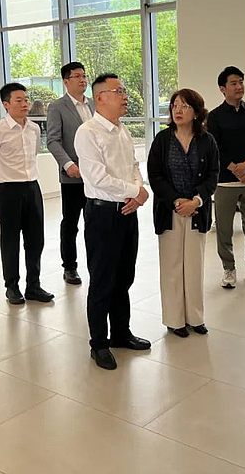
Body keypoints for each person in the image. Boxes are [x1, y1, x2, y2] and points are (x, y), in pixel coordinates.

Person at [75, 74, 150, 370]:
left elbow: (133, 165)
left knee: (124, 276)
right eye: (118, 91)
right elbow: (97, 178)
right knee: (103, 279)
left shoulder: (122, 130)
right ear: (100, 97)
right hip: (102, 213)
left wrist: (137, 192)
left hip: (127, 210)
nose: (125, 96)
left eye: (124, 90)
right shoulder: (88, 132)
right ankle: (99, 344)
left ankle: (121, 333)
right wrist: (136, 191)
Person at [147, 89, 219, 337]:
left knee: (194, 266)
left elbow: (213, 175)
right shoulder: (162, 140)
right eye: (175, 105)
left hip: (196, 211)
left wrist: (196, 201)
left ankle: (195, 317)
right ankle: (174, 320)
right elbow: (155, 176)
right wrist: (177, 201)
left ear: (197, 112)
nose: (178, 110)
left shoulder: (207, 141)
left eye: (185, 106)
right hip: (170, 211)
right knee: (172, 266)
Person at [0, 83, 54, 305]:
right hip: (9, 189)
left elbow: (34, 154)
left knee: (36, 240)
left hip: (32, 187)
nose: (24, 104)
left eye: (26, 99)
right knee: (10, 240)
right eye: (18, 100)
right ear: (6, 104)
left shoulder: (33, 129)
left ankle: (34, 285)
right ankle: (11, 286)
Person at [206, 66, 245, 289]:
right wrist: (235, 169)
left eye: (241, 82)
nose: (239, 86)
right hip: (225, 180)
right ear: (222, 89)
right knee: (224, 227)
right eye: (233, 83)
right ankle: (228, 268)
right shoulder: (214, 117)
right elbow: (215, 147)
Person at [46, 61, 95, 285]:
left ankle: (96, 264)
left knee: (94, 222)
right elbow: (53, 140)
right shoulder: (57, 107)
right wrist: (68, 164)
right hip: (73, 176)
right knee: (71, 223)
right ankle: (70, 267)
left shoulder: (94, 104)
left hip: (95, 176)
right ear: (66, 82)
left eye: (84, 76)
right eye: (77, 76)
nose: (82, 80)